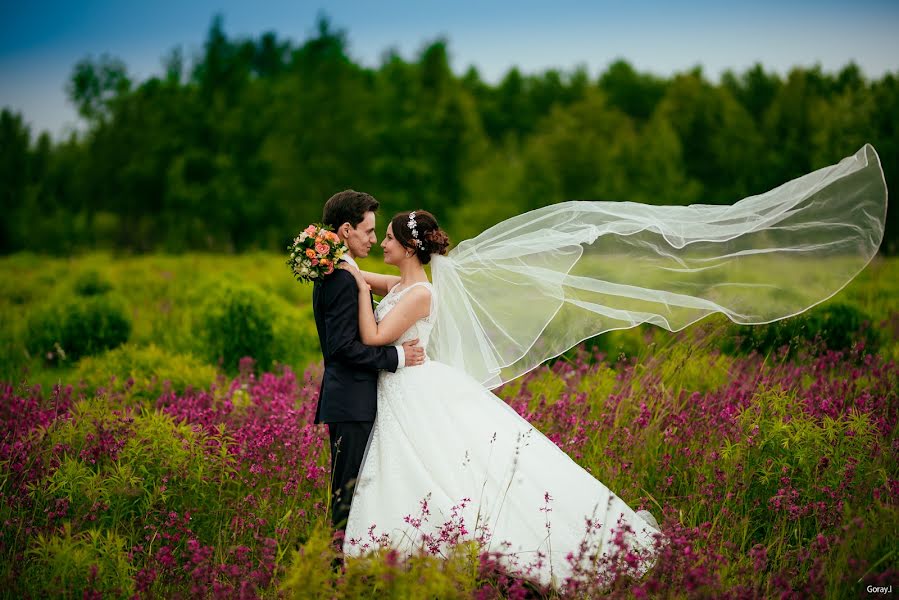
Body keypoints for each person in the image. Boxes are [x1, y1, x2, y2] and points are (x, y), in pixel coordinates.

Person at [334, 144, 887, 587]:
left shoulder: (419, 295)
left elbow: (375, 332)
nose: (378, 242)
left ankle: (433, 556)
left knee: (451, 469)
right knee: (436, 467)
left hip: (414, 384)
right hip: (410, 385)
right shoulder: (408, 284)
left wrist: (352, 283)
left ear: (408, 247)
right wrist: (351, 271)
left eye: (385, 236)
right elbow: (379, 287)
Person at [311, 190, 425, 535]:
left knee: (355, 491)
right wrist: (399, 355)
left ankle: (348, 559)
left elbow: (397, 285)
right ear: (347, 230)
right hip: (351, 401)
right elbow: (342, 348)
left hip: (352, 399)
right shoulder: (343, 278)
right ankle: (335, 566)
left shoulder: (342, 271)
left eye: (383, 235)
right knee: (348, 492)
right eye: (370, 231)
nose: (375, 240)